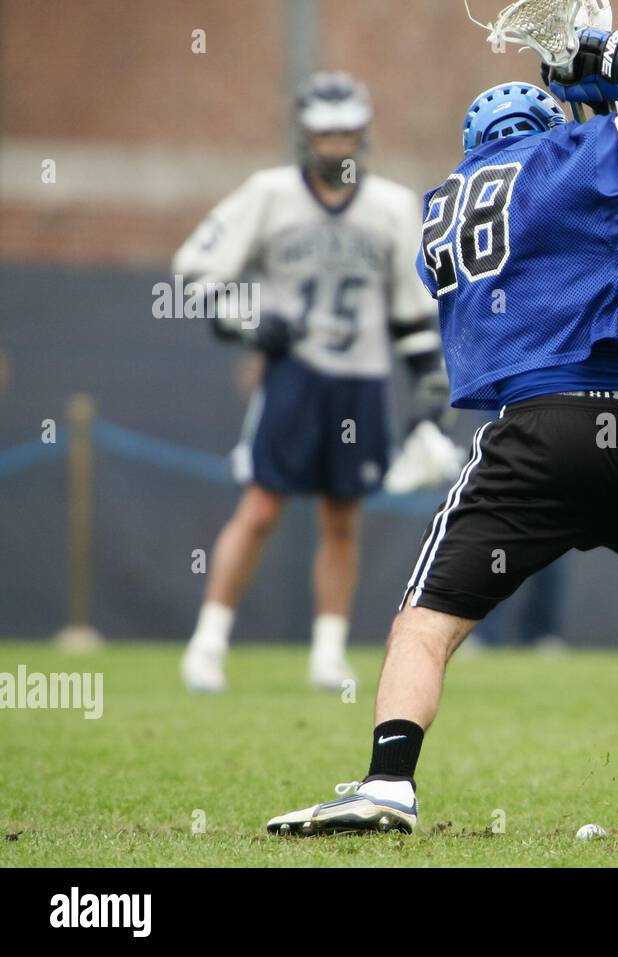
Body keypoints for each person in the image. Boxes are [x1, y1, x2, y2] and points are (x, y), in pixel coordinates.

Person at [267, 28, 618, 835]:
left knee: (425, 619)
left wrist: (606, 116)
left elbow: (554, 235)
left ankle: (389, 782)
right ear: (553, 123)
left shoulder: (437, 207)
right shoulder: (576, 155)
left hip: (539, 424)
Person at [174, 71, 456, 693]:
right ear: (305, 136)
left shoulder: (391, 206)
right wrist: (250, 318)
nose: (337, 147)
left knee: (342, 518)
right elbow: (195, 269)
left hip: (360, 379)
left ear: (364, 134)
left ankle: (328, 651)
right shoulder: (269, 194)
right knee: (260, 506)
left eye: (347, 133)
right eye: (326, 134)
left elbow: (412, 314)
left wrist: (430, 397)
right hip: (294, 375)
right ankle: (209, 642)